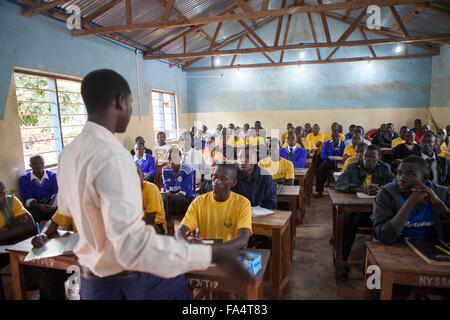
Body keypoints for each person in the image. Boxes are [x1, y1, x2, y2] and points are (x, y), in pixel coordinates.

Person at [56, 69, 252, 300]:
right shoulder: (114, 157)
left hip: (91, 280)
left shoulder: (68, 153)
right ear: (120, 101)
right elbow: (133, 245)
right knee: (180, 285)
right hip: (125, 283)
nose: (131, 111)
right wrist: (211, 255)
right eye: (131, 103)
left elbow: (67, 209)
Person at [371, 156, 449, 299]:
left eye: (410, 174)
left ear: (424, 178)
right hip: (394, 253)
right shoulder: (387, 193)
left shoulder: (441, 193)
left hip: (431, 255)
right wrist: (411, 201)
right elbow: (384, 236)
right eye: (399, 173)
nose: (401, 178)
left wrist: (439, 203)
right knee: (386, 290)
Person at [335, 145, 395, 266]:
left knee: (387, 222)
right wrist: (361, 188)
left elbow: (394, 184)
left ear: (379, 158)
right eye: (365, 156)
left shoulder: (385, 168)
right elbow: (340, 183)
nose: (367, 159)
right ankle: (344, 259)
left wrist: (381, 190)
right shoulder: (353, 167)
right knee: (348, 219)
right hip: (356, 209)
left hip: (377, 211)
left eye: (372, 157)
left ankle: (378, 262)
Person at [175, 164, 251, 247]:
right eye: (215, 177)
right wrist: (186, 245)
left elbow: (243, 239)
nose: (216, 181)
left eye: (223, 179)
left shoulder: (242, 203)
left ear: (233, 182)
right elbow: (179, 232)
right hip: (207, 250)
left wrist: (216, 250)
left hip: (230, 251)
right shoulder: (199, 202)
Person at [0, 180, 37, 299]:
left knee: (28, 242)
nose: (1, 199)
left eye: (1, 194)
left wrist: (4, 236)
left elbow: (31, 226)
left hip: (11, 245)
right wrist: (12, 227)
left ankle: (30, 291)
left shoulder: (11, 201)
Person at [19, 154, 58, 222]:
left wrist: (52, 207)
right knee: (32, 215)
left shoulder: (53, 176)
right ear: (30, 165)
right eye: (35, 164)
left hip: (51, 205)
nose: (38, 166)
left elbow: (56, 195)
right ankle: (40, 231)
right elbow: (28, 200)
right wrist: (40, 206)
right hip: (36, 207)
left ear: (44, 163)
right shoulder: (24, 179)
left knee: (61, 210)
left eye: (40, 163)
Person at [162, 148, 195, 228]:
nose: (171, 161)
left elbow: (182, 193)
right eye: (169, 159)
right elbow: (168, 190)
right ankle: (165, 227)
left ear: (180, 158)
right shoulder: (165, 170)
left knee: (165, 200)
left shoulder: (186, 169)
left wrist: (166, 196)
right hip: (171, 201)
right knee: (159, 198)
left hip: (186, 200)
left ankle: (166, 228)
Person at [314, 132, 345, 198]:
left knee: (343, 171)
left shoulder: (342, 144)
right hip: (329, 162)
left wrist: (337, 149)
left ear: (340, 137)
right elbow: (323, 155)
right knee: (320, 169)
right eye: (334, 136)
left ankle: (341, 191)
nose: (335, 138)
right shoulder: (327, 143)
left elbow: (343, 155)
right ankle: (319, 191)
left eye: (337, 137)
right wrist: (331, 158)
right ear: (331, 137)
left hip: (340, 163)